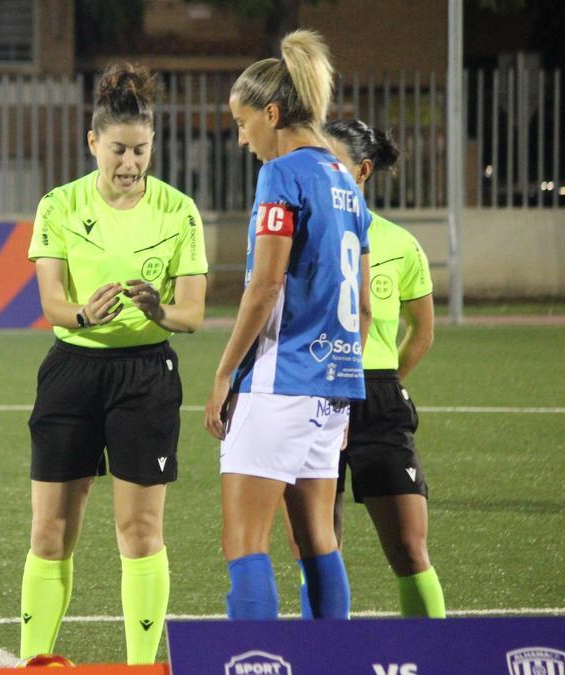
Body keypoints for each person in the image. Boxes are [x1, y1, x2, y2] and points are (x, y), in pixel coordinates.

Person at [22, 62, 208, 664]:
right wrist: (82, 316)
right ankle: (36, 662)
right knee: (50, 531)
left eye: (142, 151)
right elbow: (50, 300)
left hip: (146, 377)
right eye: (119, 150)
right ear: (92, 142)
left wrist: (160, 311)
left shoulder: (179, 212)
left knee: (140, 531)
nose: (130, 164)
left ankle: (140, 664)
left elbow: (194, 313)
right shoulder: (59, 205)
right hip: (71, 372)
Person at [203, 29, 372, 621]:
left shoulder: (284, 174)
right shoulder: (345, 180)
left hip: (281, 381)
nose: (242, 136)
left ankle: (259, 661)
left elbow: (266, 285)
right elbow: (367, 304)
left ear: (272, 113)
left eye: (243, 121)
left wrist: (225, 373)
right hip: (333, 383)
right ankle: (332, 663)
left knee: (244, 542)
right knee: (317, 541)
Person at [290, 118, 442, 618]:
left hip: (375, 393)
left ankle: (434, 657)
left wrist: (388, 382)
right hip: (315, 389)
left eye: (334, 162)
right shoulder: (302, 235)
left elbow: (421, 332)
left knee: (408, 548)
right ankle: (324, 658)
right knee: (317, 545)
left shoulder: (399, 244)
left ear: (363, 171)